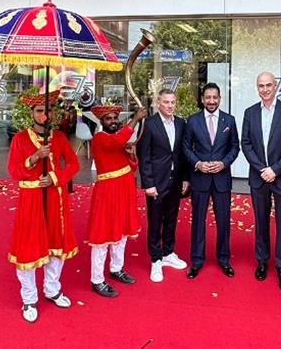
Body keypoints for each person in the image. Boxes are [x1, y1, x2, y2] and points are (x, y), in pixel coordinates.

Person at [7, 90, 79, 323]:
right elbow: (14, 170)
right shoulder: (19, 139)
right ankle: (29, 298)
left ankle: (52, 289)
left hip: (55, 198)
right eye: (40, 111)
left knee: (55, 244)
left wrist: (56, 178)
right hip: (31, 199)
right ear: (31, 113)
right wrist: (36, 156)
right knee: (29, 245)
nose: (44, 115)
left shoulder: (58, 137)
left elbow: (74, 163)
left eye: (48, 110)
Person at [240, 71, 281, 292]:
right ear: (257, 88)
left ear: (275, 86)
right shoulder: (250, 113)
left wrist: (275, 169)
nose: (264, 89)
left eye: (268, 85)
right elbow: (245, 143)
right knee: (261, 221)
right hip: (259, 177)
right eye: (260, 86)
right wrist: (261, 169)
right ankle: (262, 261)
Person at [86, 104, 148, 297]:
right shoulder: (99, 138)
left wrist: (131, 155)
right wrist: (136, 119)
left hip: (124, 191)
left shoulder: (117, 140)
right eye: (108, 119)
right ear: (101, 122)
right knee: (102, 238)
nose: (113, 121)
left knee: (121, 233)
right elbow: (116, 140)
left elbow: (132, 166)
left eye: (115, 118)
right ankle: (97, 280)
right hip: (107, 194)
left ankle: (116, 268)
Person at [182, 82, 240, 279]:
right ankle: (197, 261)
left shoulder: (229, 120)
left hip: (222, 179)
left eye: (215, 97)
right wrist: (197, 163)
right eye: (208, 97)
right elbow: (185, 147)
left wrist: (224, 163)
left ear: (220, 99)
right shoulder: (192, 121)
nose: (212, 101)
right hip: (200, 179)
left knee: (223, 221)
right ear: (202, 99)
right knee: (198, 221)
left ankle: (224, 259)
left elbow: (235, 147)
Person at [137, 89, 190, 283]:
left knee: (171, 219)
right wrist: (148, 184)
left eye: (172, 102)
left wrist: (185, 178)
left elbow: (182, 155)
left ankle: (168, 252)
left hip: (175, 181)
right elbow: (144, 156)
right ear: (158, 103)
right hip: (156, 183)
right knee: (155, 221)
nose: (169, 106)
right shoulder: (149, 125)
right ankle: (156, 258)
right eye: (166, 102)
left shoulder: (180, 123)